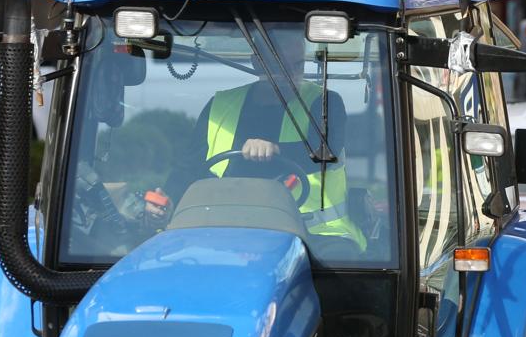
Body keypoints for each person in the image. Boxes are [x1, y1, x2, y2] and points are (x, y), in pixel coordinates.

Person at [148, 56, 365, 251]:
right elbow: (189, 167)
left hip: (317, 236)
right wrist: (167, 199)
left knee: (340, 282)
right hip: (223, 232)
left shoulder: (326, 103)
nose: (291, 73)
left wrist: (276, 149)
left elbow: (327, 150)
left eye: (297, 64)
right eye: (279, 64)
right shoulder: (220, 105)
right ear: (257, 62)